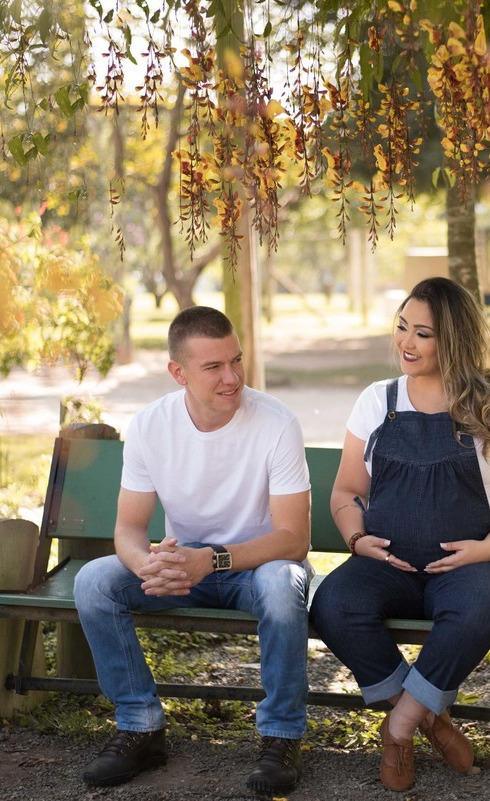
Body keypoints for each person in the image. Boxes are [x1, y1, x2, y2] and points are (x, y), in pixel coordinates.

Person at [309, 276, 490, 792]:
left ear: (453, 339)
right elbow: (346, 490)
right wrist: (355, 539)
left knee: (478, 609)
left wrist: (486, 549)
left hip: (474, 564)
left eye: (423, 333)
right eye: (401, 327)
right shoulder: (377, 401)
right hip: (386, 564)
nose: (406, 343)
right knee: (332, 604)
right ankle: (431, 718)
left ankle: (400, 726)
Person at [73, 306, 312, 795]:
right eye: (214, 367)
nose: (233, 378)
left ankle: (281, 736)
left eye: (236, 361)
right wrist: (149, 565)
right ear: (177, 372)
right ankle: (140, 727)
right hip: (185, 567)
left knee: (283, 586)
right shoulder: (150, 426)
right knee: (94, 582)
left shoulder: (276, 423)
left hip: (258, 566)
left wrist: (214, 560)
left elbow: (294, 540)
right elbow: (128, 529)